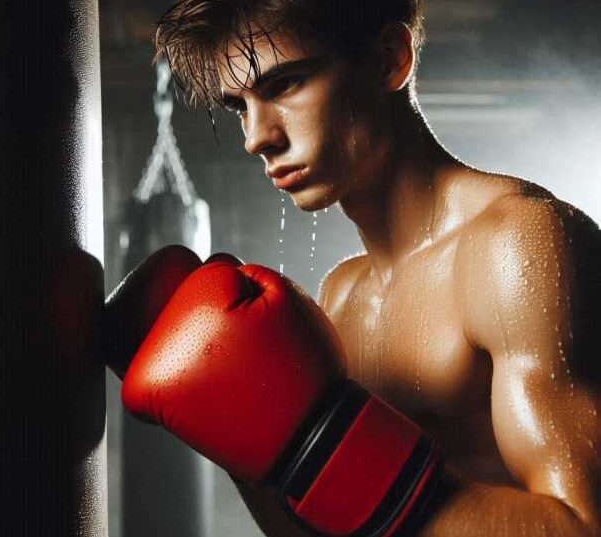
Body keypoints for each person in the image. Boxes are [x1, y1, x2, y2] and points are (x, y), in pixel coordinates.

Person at [113, 1, 601, 536]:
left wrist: (330, 455)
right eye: (239, 107)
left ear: (389, 60)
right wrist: (243, 437)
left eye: (284, 86)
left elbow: (582, 525)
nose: (257, 137)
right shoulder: (343, 294)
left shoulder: (516, 244)